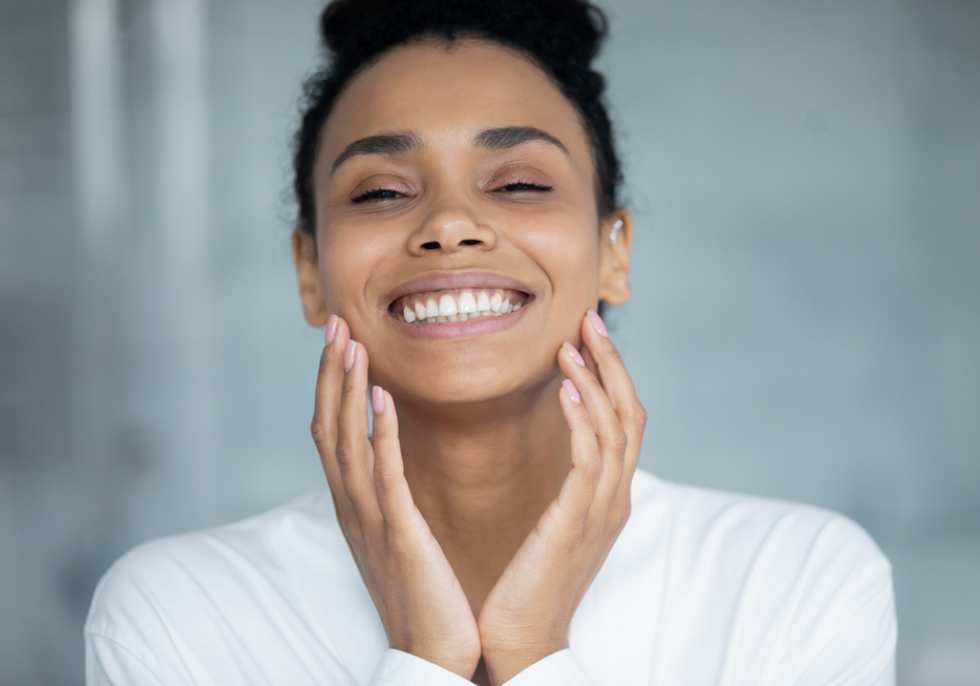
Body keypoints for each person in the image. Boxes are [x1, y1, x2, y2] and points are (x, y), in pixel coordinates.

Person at [84, 0, 897, 684]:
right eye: (381, 192)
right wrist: (425, 656)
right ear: (309, 270)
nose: (449, 224)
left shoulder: (796, 583)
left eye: (519, 183)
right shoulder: (177, 616)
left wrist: (531, 648)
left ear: (614, 250)